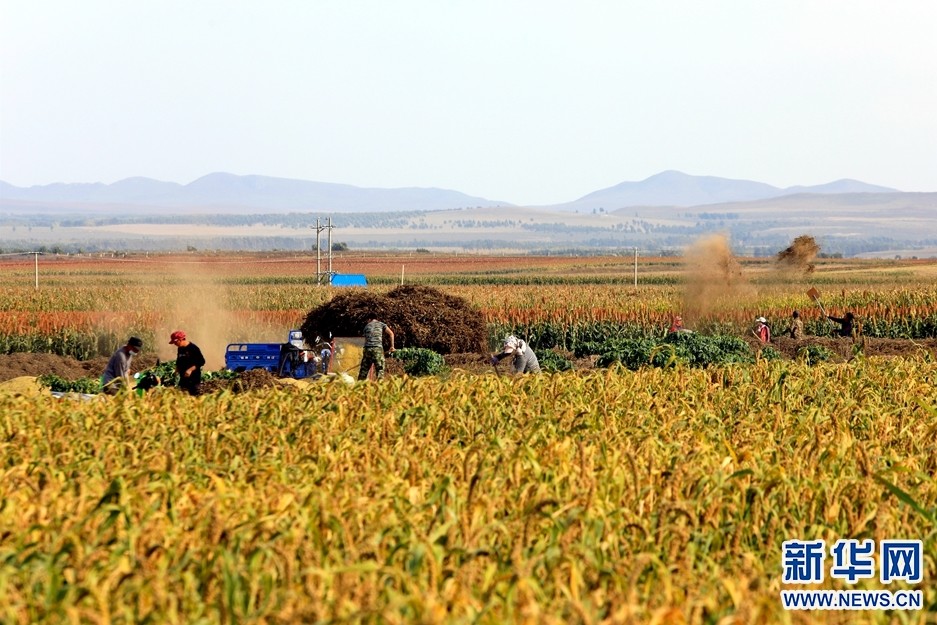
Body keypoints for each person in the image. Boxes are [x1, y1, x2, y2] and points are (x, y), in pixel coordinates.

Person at [169, 330, 205, 396]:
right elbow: (179, 360)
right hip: (183, 378)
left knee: (193, 396)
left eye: (175, 342)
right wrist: (177, 369)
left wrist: (190, 370)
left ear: (180, 339)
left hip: (194, 378)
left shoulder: (193, 348)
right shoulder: (180, 348)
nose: (175, 344)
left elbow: (201, 361)